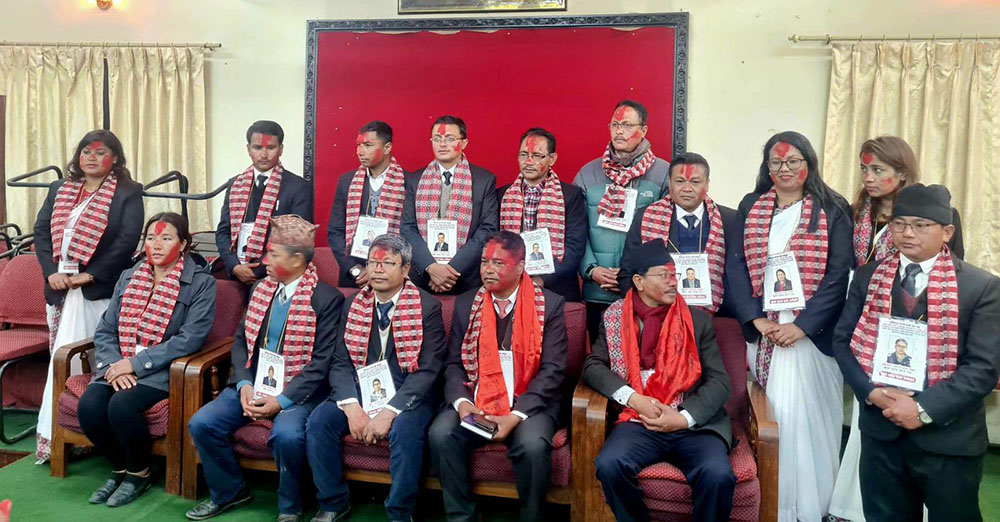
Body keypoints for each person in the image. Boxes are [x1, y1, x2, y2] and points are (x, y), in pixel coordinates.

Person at [833, 184, 1000, 521]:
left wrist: (922, 409)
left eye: (921, 225)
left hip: (948, 438)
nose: (907, 233)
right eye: (899, 224)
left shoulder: (980, 286)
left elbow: (983, 368)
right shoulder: (867, 277)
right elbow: (842, 342)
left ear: (947, 232)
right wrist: (871, 393)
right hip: (882, 432)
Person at [727, 131, 852, 521]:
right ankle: (772, 506)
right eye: (776, 162)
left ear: (808, 163)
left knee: (809, 422)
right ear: (767, 167)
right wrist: (756, 318)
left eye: (793, 161)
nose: (784, 168)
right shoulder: (751, 206)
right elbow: (735, 266)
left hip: (811, 335)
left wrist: (802, 325)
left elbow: (839, 275)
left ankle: (812, 507)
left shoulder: (833, 208)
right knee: (774, 417)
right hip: (765, 331)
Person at [187, 215, 344, 521]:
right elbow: (241, 342)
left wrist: (280, 401)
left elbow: (321, 363)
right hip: (254, 383)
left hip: (298, 391)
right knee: (202, 424)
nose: (264, 260)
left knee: (287, 436)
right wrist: (244, 384)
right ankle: (229, 492)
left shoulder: (327, 299)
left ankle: (289, 506)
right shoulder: (261, 288)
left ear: (297, 259)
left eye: (273, 254)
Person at [585, 239, 735, 521]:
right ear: (639, 282)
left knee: (717, 474)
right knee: (609, 464)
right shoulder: (614, 317)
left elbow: (719, 382)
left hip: (693, 424)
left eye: (674, 274)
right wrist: (633, 399)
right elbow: (593, 366)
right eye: (663, 275)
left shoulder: (697, 321)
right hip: (639, 419)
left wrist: (682, 419)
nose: (673, 282)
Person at [78, 213, 215, 507]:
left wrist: (136, 365)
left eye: (166, 238)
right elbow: (106, 329)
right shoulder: (129, 276)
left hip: (163, 369)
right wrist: (114, 365)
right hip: (118, 364)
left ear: (184, 243)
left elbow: (190, 338)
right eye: (151, 238)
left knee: (121, 405)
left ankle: (139, 473)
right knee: (89, 406)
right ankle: (119, 469)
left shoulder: (201, 283)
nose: (156, 245)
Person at [306, 233, 446, 522]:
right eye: (373, 262)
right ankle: (333, 503)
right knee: (319, 421)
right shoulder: (352, 304)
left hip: (407, 394)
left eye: (388, 263)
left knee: (405, 430)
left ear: (405, 269)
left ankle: (399, 512)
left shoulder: (427, 307)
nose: (378, 269)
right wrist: (351, 407)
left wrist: (389, 412)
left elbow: (427, 371)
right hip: (359, 390)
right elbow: (340, 362)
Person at [429, 231, 567, 522]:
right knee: (442, 433)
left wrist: (515, 416)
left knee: (531, 445)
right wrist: (463, 405)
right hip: (477, 399)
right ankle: (462, 516)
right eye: (484, 262)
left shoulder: (550, 305)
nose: (488, 270)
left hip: (528, 405)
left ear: (520, 267)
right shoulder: (467, 303)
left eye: (498, 263)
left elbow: (553, 370)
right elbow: (453, 363)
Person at [33, 129, 144, 461]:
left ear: (115, 158)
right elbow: (41, 232)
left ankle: (91, 436)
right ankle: (59, 438)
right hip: (59, 288)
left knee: (92, 361)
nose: (91, 158)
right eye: (86, 152)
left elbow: (127, 241)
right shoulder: (60, 188)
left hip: (97, 291)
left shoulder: (127, 192)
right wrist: (51, 272)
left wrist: (90, 274)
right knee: (62, 359)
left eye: (100, 152)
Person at [575, 100, 670, 340]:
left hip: (644, 290)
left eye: (627, 125)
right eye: (615, 125)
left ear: (644, 130)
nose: (619, 131)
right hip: (598, 289)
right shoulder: (588, 174)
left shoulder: (664, 175)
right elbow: (575, 230)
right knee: (601, 354)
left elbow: (667, 233)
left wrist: (632, 273)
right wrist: (591, 270)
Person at [619, 152, 742, 317]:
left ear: (707, 184)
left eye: (695, 182)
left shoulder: (729, 220)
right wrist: (647, 312)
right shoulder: (647, 217)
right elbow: (628, 272)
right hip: (659, 315)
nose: (687, 188)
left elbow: (739, 276)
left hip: (715, 316)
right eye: (680, 181)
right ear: (669, 183)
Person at [401, 115, 499, 295]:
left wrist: (452, 269)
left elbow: (488, 229)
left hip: (465, 278)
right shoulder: (415, 179)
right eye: (437, 138)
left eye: (449, 138)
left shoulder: (484, 180)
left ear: (464, 143)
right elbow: (407, 228)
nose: (442, 144)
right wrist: (431, 267)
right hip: (423, 277)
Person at [216, 120, 312, 287]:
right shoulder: (235, 184)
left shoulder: (297, 187)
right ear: (248, 149)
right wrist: (234, 266)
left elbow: (295, 240)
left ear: (281, 149)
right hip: (236, 272)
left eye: (271, 148)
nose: (264, 155)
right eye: (258, 147)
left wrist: (257, 271)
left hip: (275, 276)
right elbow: (223, 232)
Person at [498, 128, 587, 301]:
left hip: (557, 288)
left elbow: (575, 247)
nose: (528, 161)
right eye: (524, 154)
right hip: (510, 286)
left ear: (552, 159)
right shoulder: (502, 195)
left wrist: (542, 279)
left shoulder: (570, 195)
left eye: (537, 156)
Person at [327, 121, 408, 288]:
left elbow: (410, 233)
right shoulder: (346, 182)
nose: (360, 151)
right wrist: (354, 269)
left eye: (368, 145)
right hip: (354, 277)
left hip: (393, 275)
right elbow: (335, 231)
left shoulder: (407, 183)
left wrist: (384, 269)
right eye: (358, 145)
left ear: (387, 148)